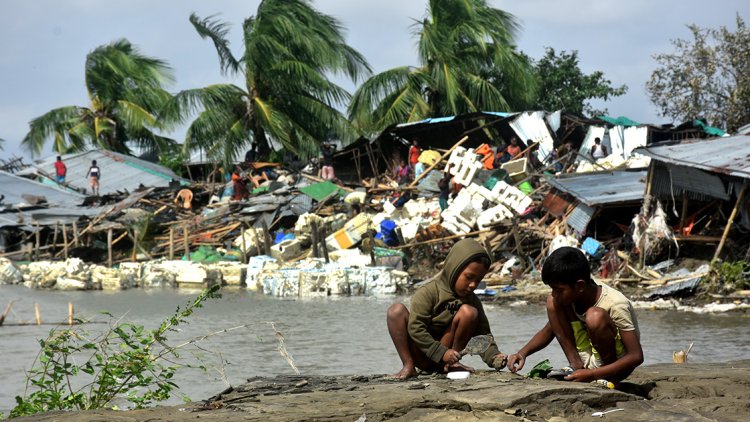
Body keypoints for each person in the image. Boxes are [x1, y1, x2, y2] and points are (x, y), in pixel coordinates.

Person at [507, 247, 643, 384]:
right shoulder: (573, 296)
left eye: (558, 290)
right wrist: (522, 353)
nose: (554, 293)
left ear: (580, 286)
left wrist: (593, 374)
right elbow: (551, 329)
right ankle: (576, 365)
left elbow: (636, 356)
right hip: (589, 359)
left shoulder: (616, 304)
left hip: (615, 367)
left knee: (594, 317)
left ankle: (609, 379)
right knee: (552, 302)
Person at [386, 238, 508, 379]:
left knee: (469, 313)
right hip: (422, 352)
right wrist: (441, 353)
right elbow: (416, 328)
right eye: (469, 277)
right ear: (454, 269)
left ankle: (451, 365)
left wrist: (494, 357)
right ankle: (408, 365)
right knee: (396, 311)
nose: (473, 285)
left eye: (478, 281)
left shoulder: (471, 300)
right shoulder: (428, 292)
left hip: (448, 357)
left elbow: (483, 335)